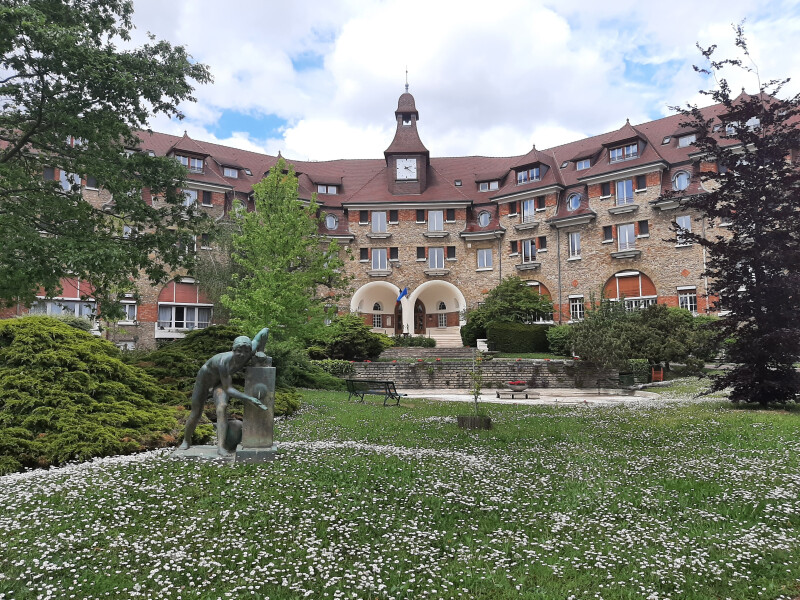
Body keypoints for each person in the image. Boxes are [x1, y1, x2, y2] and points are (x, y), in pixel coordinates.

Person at [179, 327, 269, 456]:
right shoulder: (224, 361)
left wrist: (261, 351)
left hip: (220, 384)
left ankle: (221, 447)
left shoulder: (250, 351)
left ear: (250, 350)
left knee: (222, 407)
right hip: (204, 382)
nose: (242, 355)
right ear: (233, 350)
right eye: (238, 351)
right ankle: (186, 440)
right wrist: (248, 398)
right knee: (196, 413)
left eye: (245, 352)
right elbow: (229, 389)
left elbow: (264, 331)